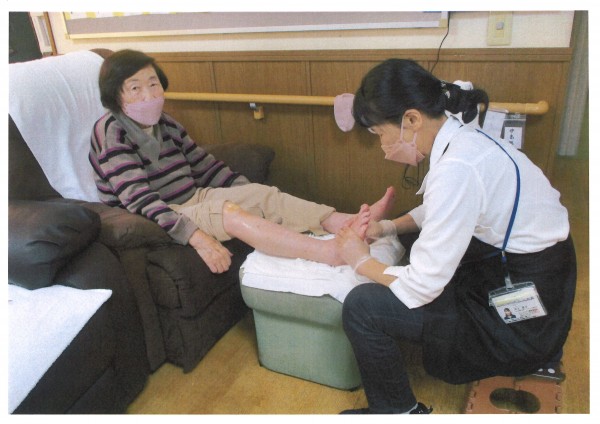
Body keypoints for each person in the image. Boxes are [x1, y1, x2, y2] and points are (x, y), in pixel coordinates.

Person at [334, 58, 576, 414]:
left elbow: (422, 285)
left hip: (525, 320)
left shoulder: (457, 168)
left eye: (379, 134)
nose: (383, 145)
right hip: (545, 277)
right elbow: (444, 209)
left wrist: (359, 260)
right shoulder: (463, 135)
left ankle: (398, 411)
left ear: (411, 120)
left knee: (362, 307)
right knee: (414, 239)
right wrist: (387, 227)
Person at [88, 49, 396, 274]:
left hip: (192, 197)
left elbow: (204, 165)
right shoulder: (111, 132)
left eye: (153, 83)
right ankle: (328, 252)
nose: (149, 95)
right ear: (116, 96)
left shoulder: (166, 123)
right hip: (158, 215)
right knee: (230, 213)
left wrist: (248, 194)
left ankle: (343, 221)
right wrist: (195, 236)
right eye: (135, 88)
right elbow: (139, 199)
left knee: (263, 194)